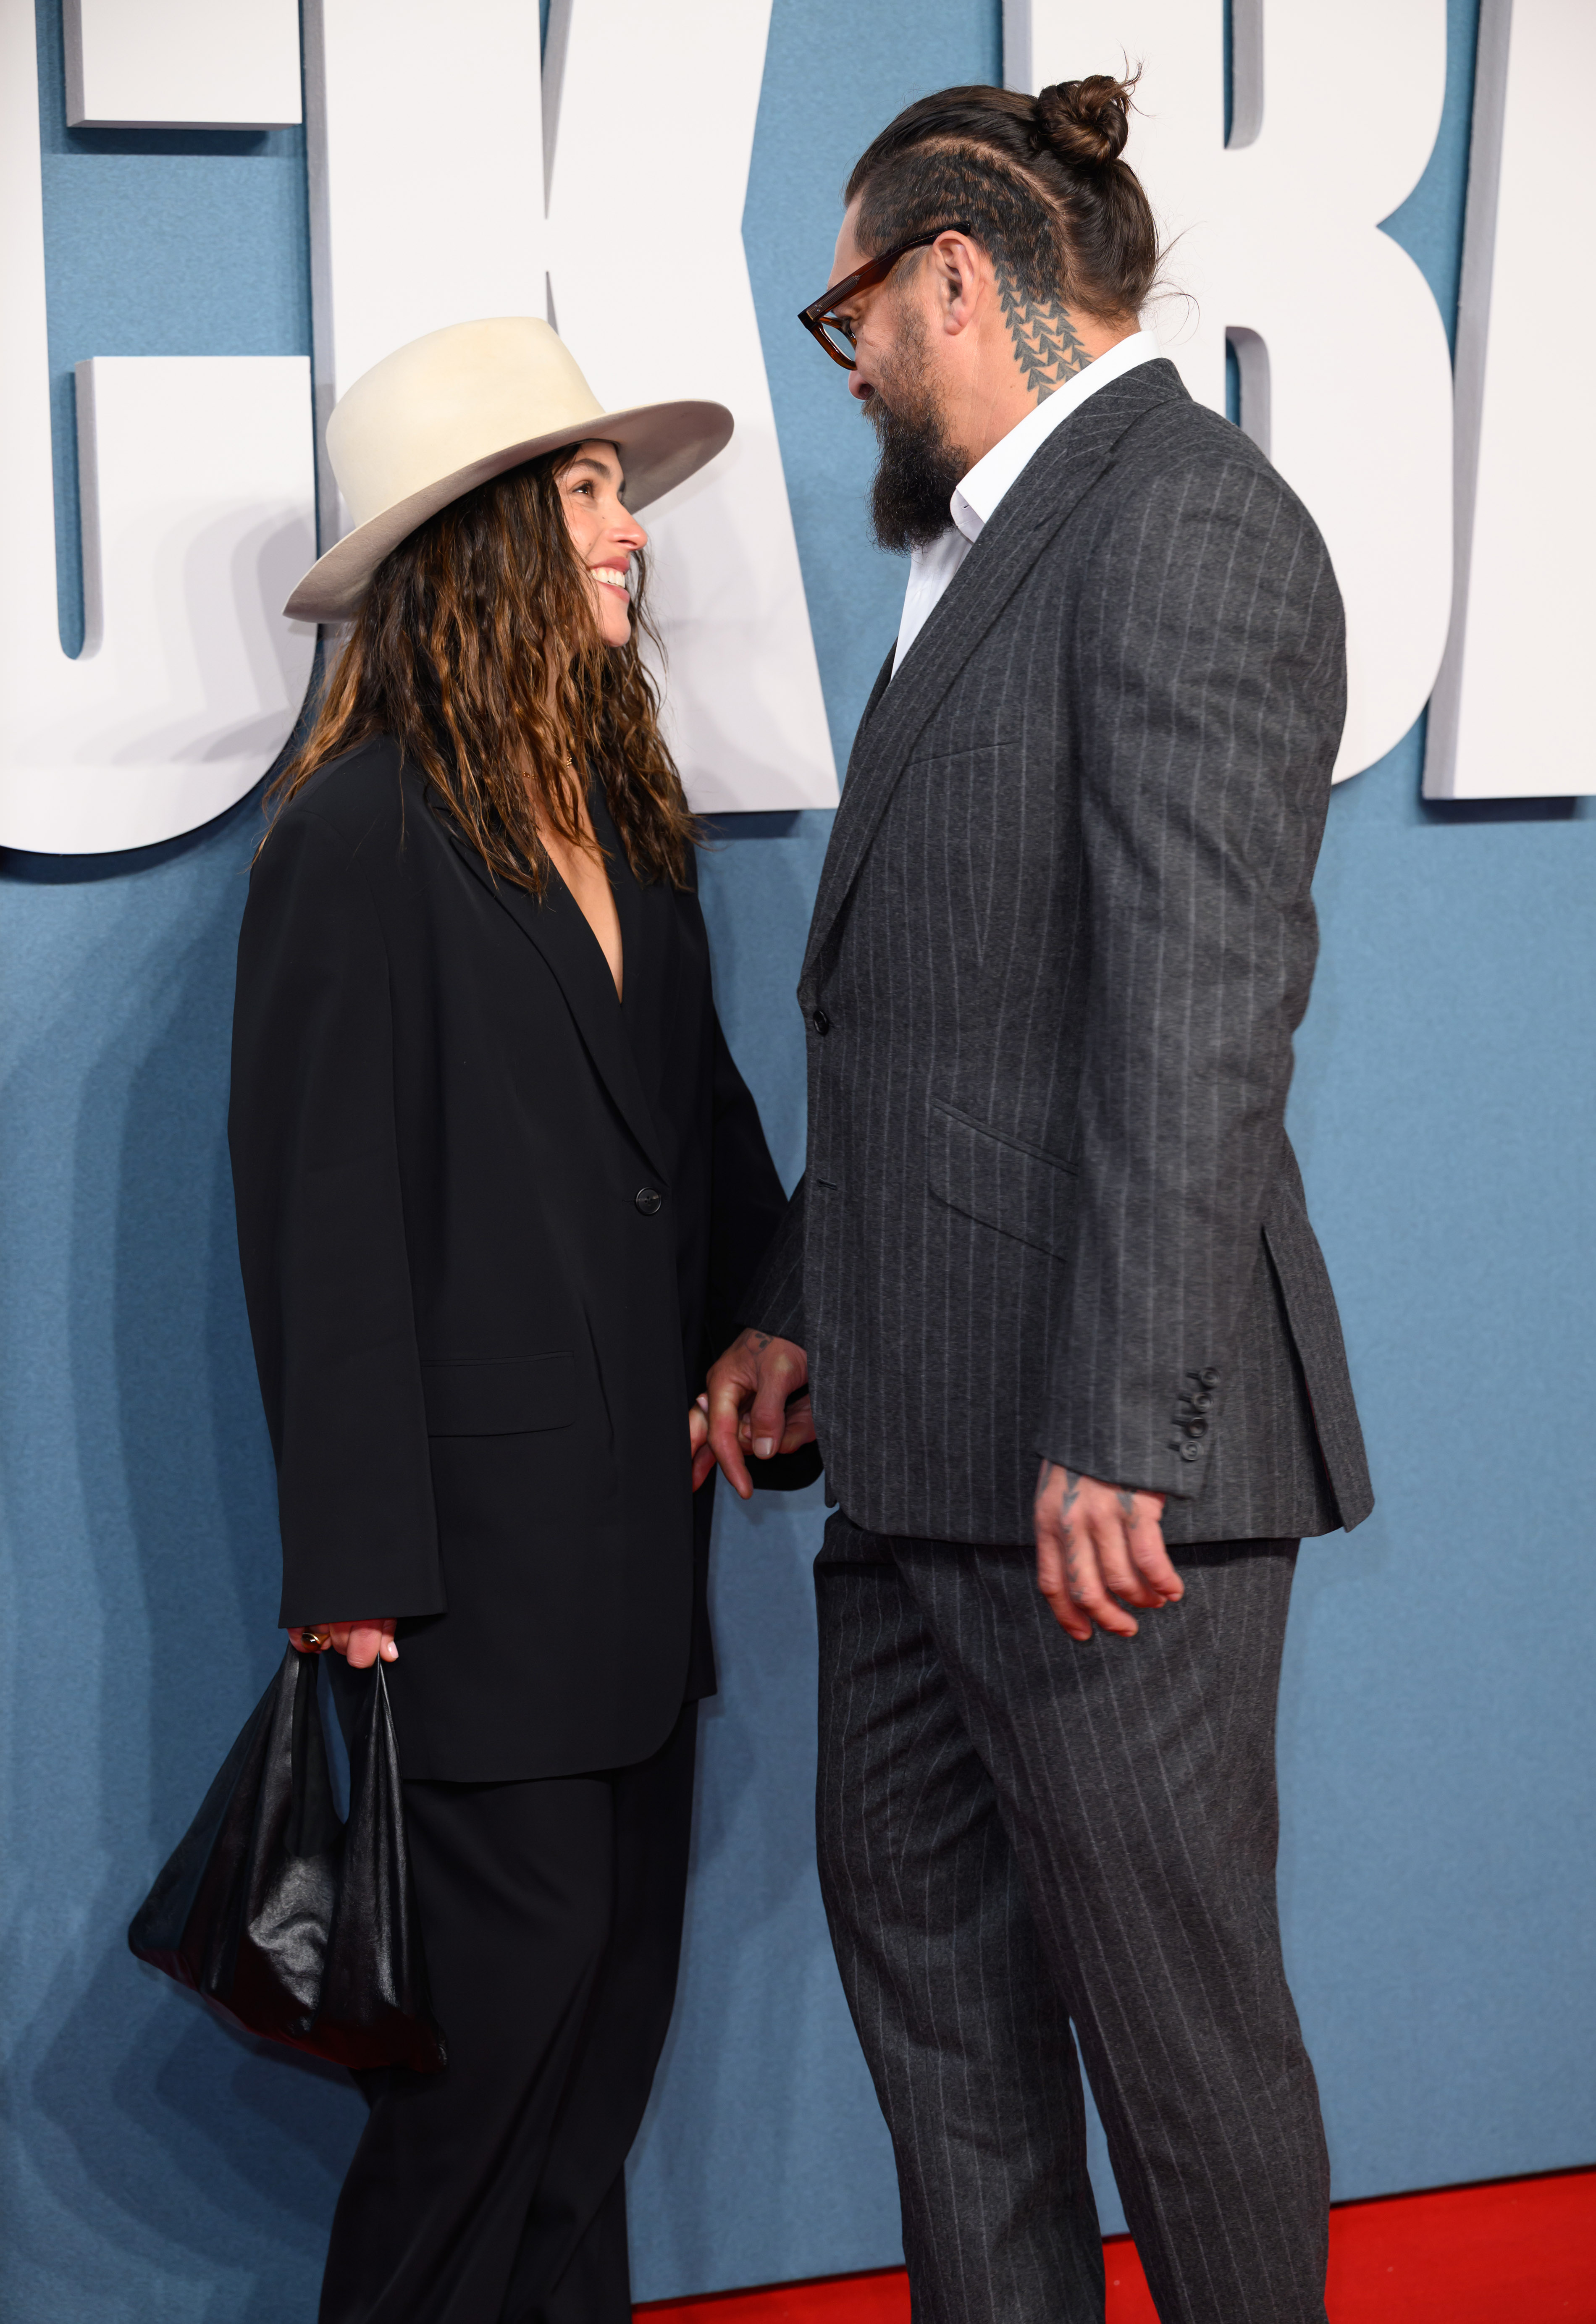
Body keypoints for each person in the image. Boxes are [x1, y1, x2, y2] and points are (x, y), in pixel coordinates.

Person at [704, 76, 1373, 2324]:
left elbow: (1197, 1010)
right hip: (909, 1456)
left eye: (849, 314)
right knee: (949, 2051)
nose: (853, 362)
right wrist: (805, 1287)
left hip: (1100, 1480)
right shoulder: (979, 553)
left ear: (952, 279)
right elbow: (930, 1013)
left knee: (1177, 2062)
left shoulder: (1185, 528)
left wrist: (1126, 1421)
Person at [230, 317, 813, 2324]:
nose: (625, 528)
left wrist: (773, 1338)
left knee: (589, 2087)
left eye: (617, 492)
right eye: (581, 490)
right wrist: (357, 1582)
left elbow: (703, 1139)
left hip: (637, 1586)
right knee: (475, 2113)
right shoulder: (353, 838)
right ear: (479, 536)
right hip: (465, 1611)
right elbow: (320, 1228)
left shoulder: (629, 827)